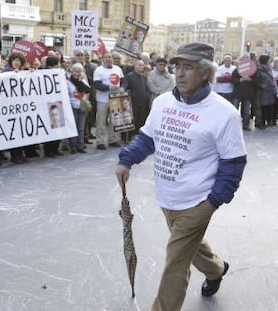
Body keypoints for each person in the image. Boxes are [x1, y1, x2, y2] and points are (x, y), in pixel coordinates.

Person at [115, 42, 247, 311]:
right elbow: (148, 138)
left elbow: (233, 163)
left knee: (176, 262)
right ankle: (216, 269)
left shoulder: (224, 113)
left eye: (189, 67)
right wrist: (127, 158)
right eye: (178, 67)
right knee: (190, 247)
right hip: (167, 196)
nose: (180, 74)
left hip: (198, 201)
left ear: (206, 73)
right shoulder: (163, 102)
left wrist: (212, 202)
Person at [93, 51, 124, 150]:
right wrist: (110, 88)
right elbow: (97, 84)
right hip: (103, 99)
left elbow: (124, 81)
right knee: (101, 121)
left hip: (115, 98)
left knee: (114, 120)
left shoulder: (117, 69)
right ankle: (100, 141)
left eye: (110, 57)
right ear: (102, 59)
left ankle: (113, 139)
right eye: (106, 57)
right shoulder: (98, 70)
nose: (108, 59)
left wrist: (123, 87)